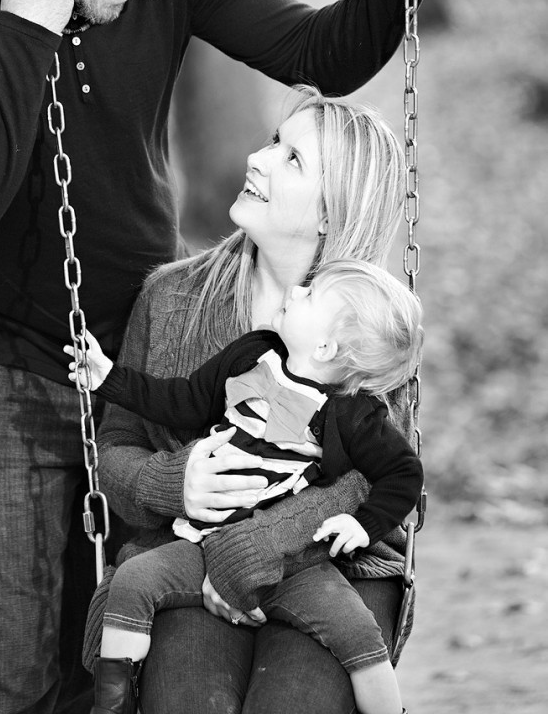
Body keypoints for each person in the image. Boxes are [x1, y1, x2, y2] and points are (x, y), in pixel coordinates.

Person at [0, 0, 446, 714]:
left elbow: (317, 51)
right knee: (2, 668)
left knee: (117, 647)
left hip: (149, 347)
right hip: (2, 361)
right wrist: (25, 32)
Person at [86, 89, 421, 714]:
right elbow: (111, 449)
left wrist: (256, 549)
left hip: (330, 566)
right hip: (189, 551)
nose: (258, 159)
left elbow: (373, 483)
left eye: (292, 159)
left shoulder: (363, 331)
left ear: (331, 211)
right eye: (273, 141)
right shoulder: (172, 299)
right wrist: (172, 484)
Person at [68, 258, 424, 714]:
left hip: (296, 565)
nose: (296, 292)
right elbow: (182, 401)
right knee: (134, 581)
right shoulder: (253, 356)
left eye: (310, 296)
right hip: (205, 544)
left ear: (325, 347)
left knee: (359, 635)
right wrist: (108, 379)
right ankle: (112, 702)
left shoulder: (353, 412)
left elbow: (403, 474)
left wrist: (365, 526)